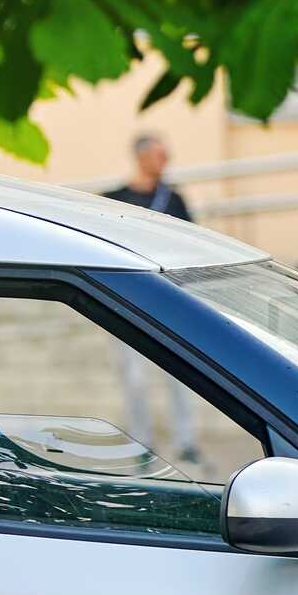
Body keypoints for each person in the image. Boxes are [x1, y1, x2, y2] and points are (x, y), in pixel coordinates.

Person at [102, 134, 200, 468]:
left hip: (169, 301)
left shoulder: (174, 200)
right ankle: (142, 443)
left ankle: (185, 442)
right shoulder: (116, 200)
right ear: (141, 157)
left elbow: (191, 245)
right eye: (159, 155)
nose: (165, 161)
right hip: (129, 302)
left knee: (179, 376)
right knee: (134, 379)